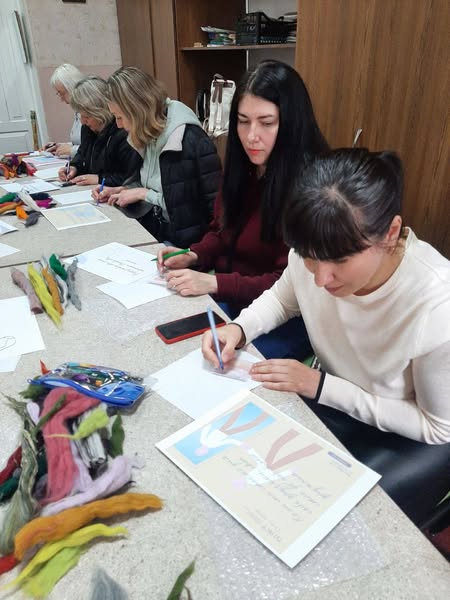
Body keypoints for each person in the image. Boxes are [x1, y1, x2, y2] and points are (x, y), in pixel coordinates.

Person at [202, 148, 450, 525]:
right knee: (249, 473)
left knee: (337, 522)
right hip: (336, 395)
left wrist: (320, 386)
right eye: (309, 257)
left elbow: (437, 426)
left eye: (339, 261)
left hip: (410, 433)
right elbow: (283, 299)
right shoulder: (315, 248)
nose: (320, 278)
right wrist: (238, 328)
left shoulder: (436, 305)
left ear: (390, 233)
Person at [157, 60, 328, 360]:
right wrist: (195, 255)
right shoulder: (244, 166)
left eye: (266, 122)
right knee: (176, 338)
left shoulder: (313, 188)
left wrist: (214, 282)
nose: (251, 136)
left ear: (291, 123)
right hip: (235, 299)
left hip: (286, 318)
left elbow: (288, 285)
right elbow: (221, 230)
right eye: (243, 121)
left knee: (225, 366)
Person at [92, 66, 221, 248]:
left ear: (137, 111)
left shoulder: (189, 140)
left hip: (187, 246)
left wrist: (142, 194)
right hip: (158, 232)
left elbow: (194, 207)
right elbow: (153, 182)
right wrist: (122, 190)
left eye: (120, 117)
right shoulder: (148, 132)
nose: (118, 125)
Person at [58, 76, 142, 187]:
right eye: (80, 115)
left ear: (100, 111)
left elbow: (130, 178)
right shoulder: (87, 129)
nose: (82, 121)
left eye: (87, 116)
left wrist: (100, 179)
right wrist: (74, 167)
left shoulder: (123, 131)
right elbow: (82, 155)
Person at [47, 63, 85, 157]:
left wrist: (72, 150)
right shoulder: (76, 110)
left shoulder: (87, 110)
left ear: (71, 87)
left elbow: (96, 147)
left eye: (62, 93)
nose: (61, 99)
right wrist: (61, 146)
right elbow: (80, 142)